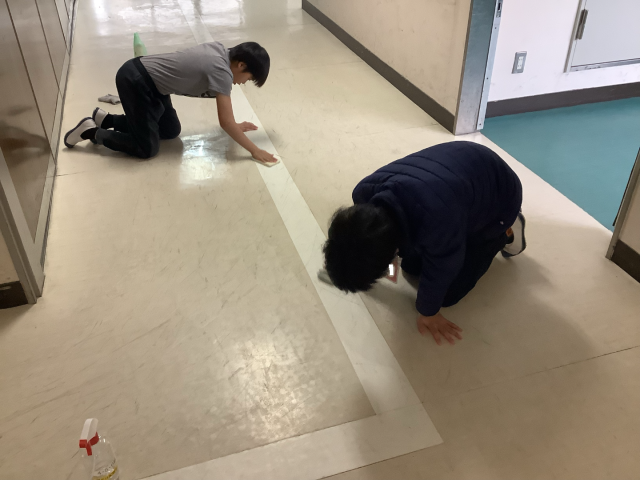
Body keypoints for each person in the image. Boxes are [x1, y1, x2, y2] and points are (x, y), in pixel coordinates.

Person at [323, 141, 526, 346]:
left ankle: (507, 230)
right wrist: (379, 263)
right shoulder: (364, 194)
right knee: (411, 268)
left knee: (447, 295)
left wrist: (428, 312)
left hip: (499, 197)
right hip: (458, 168)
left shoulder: (438, 223)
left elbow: (442, 269)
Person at [63, 42, 276, 164]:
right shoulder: (222, 72)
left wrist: (234, 125)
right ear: (241, 65)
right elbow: (226, 122)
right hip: (136, 82)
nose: (243, 83)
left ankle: (107, 120)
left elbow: (227, 119)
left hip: (151, 82)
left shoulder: (221, 52)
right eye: (248, 78)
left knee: (170, 130)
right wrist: (254, 150)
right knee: (146, 148)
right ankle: (91, 131)